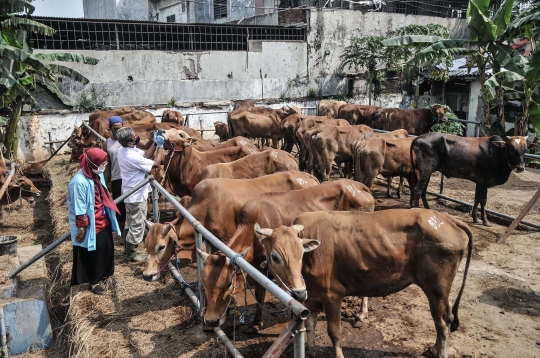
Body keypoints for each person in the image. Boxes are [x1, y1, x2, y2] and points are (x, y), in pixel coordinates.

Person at [67, 148, 121, 295]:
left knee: (106, 249)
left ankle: (105, 274)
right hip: (91, 224)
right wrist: (82, 228)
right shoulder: (79, 182)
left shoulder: (97, 175)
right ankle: (94, 282)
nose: (103, 167)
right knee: (93, 254)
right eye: (101, 164)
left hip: (103, 220)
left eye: (105, 163)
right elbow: (80, 207)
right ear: (92, 163)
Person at [116, 127, 164, 262]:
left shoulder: (123, 150)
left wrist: (154, 143)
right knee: (137, 224)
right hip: (136, 195)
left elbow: (146, 156)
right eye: (134, 135)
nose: (136, 136)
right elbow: (155, 163)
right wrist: (160, 146)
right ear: (130, 142)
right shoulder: (130, 156)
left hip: (128, 193)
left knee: (130, 222)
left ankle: (127, 249)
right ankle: (132, 254)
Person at [106, 116, 125, 241]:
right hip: (116, 178)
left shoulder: (127, 139)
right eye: (115, 128)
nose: (117, 130)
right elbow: (107, 164)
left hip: (129, 177)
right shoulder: (107, 143)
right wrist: (104, 182)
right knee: (120, 207)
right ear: (110, 128)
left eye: (120, 127)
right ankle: (122, 233)